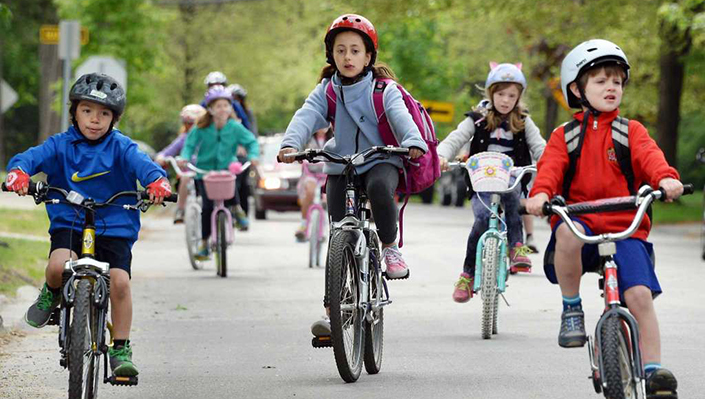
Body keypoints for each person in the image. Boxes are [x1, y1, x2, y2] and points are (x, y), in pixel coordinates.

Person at [524, 39, 683, 397]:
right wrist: (540, 195)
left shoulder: (631, 131)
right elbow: (550, 170)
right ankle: (571, 307)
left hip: (626, 228)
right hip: (582, 224)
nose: (611, 87)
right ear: (577, 89)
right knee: (566, 233)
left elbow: (650, 158)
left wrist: (666, 178)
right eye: (600, 80)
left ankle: (654, 370)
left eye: (616, 81)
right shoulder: (565, 136)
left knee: (640, 295)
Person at [4, 73, 172, 378]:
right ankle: (51, 293)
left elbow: (146, 167)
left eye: (104, 113)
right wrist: (19, 173)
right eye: (87, 111)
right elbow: (29, 158)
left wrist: (157, 182)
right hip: (69, 220)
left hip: (115, 225)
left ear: (114, 118)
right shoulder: (61, 144)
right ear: (74, 112)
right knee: (58, 266)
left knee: (119, 283)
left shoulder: (122, 147)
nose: (95, 120)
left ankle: (120, 347)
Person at [278, 14, 427, 337]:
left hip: (381, 158)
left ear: (369, 56)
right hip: (341, 162)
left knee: (378, 188)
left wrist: (412, 141)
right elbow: (306, 116)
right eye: (341, 50)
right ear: (331, 55)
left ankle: (389, 247)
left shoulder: (383, 90)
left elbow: (400, 116)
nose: (348, 57)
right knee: (338, 237)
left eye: (355, 50)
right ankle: (334, 311)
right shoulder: (327, 90)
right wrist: (291, 144)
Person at [438, 63, 546, 303]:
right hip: (482, 181)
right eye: (500, 94)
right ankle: (467, 274)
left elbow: (539, 147)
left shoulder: (524, 121)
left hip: (511, 178)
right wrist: (442, 155)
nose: (505, 100)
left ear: (519, 97)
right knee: (482, 218)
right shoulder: (477, 119)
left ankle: (517, 246)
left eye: (511, 95)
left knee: (514, 198)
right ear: (490, 93)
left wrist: (550, 164)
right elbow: (456, 138)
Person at [180, 86, 259, 259]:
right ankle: (204, 242)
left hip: (226, 168)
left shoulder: (235, 127)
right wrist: (184, 157)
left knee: (231, 184)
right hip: (205, 172)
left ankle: (237, 209)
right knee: (207, 207)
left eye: (226, 105)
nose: (222, 109)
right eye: (218, 106)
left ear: (230, 107)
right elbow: (189, 145)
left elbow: (251, 142)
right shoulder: (201, 127)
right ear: (210, 109)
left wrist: (253, 156)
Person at [156, 104, 207, 224]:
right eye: (187, 123)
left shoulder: (207, 137)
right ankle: (181, 209)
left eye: (193, 123)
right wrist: (161, 157)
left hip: (205, 173)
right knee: (185, 178)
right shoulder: (184, 138)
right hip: (188, 175)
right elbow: (169, 151)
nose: (190, 127)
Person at [294, 126, 333, 242]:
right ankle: (303, 224)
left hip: (327, 174)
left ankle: (326, 227)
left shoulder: (333, 138)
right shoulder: (307, 138)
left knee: (328, 198)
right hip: (310, 173)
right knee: (310, 192)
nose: (322, 128)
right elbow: (297, 148)